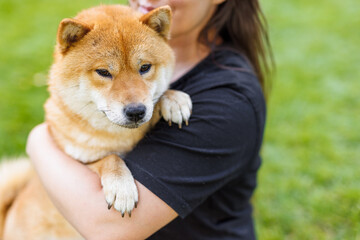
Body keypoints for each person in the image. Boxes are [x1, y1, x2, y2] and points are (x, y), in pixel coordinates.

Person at [26, 0, 272, 239]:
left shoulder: (228, 102)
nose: (133, 101)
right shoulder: (146, 55)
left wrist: (38, 139)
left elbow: (110, 230)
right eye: (104, 73)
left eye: (144, 69)